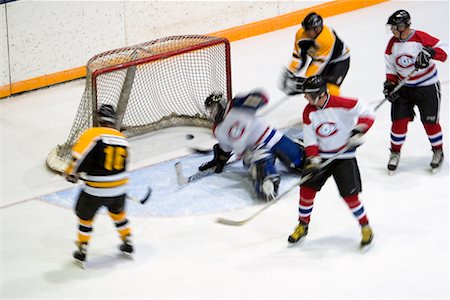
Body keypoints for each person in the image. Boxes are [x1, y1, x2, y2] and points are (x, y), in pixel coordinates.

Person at [287, 75, 375, 247]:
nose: (305, 97)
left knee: (350, 196)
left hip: (344, 157)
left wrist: (358, 130)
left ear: (319, 94)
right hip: (321, 156)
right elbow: (310, 138)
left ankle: (365, 226)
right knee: (306, 189)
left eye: (308, 94)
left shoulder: (342, 103)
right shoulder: (309, 111)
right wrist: (313, 159)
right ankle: (303, 225)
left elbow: (368, 112)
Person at [198, 91, 305, 201]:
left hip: (272, 137)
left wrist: (247, 99)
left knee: (302, 161)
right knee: (263, 170)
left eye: (213, 109)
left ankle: (300, 149)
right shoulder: (218, 130)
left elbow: (263, 98)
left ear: (222, 104)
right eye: (210, 111)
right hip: (254, 151)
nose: (212, 113)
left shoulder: (236, 105)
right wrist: (220, 159)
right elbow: (226, 149)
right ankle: (266, 182)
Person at [64, 104, 133, 266]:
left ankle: (82, 248)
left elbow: (78, 156)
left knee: (85, 218)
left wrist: (70, 172)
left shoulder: (93, 133)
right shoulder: (123, 139)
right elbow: (125, 164)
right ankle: (127, 240)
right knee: (118, 215)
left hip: (95, 190)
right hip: (119, 189)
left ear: (98, 119)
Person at [383, 9, 448, 173]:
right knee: (398, 122)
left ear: (403, 26)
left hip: (427, 86)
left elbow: (445, 51)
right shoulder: (392, 43)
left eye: (394, 27)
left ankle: (438, 151)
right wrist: (390, 84)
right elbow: (390, 66)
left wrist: (430, 52)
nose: (391, 30)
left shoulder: (420, 37)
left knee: (430, 122)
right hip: (404, 87)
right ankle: (395, 153)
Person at [280, 12, 350, 97]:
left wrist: (306, 81)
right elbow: (298, 56)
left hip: (339, 60)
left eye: (308, 30)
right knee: (314, 90)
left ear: (316, 29)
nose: (305, 32)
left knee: (331, 88)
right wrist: (291, 70)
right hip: (322, 59)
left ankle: (335, 107)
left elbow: (319, 62)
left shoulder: (326, 38)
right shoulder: (301, 34)